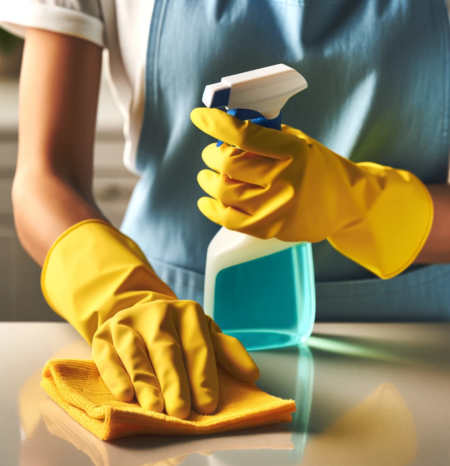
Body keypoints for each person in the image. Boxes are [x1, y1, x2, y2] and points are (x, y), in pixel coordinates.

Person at [1, 0, 450, 418]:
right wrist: (119, 293)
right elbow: (44, 177)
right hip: (167, 339)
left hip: (421, 358)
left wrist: (363, 204)